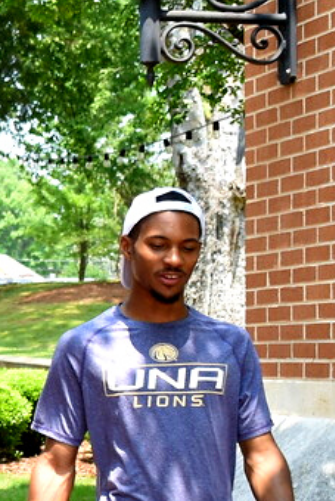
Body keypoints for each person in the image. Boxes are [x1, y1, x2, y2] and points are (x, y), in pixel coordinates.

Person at [28, 187, 295, 500]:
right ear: (127, 247)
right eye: (158, 245)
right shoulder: (84, 346)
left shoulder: (231, 344)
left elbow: (261, 455)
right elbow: (56, 464)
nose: (174, 259)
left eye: (188, 248)